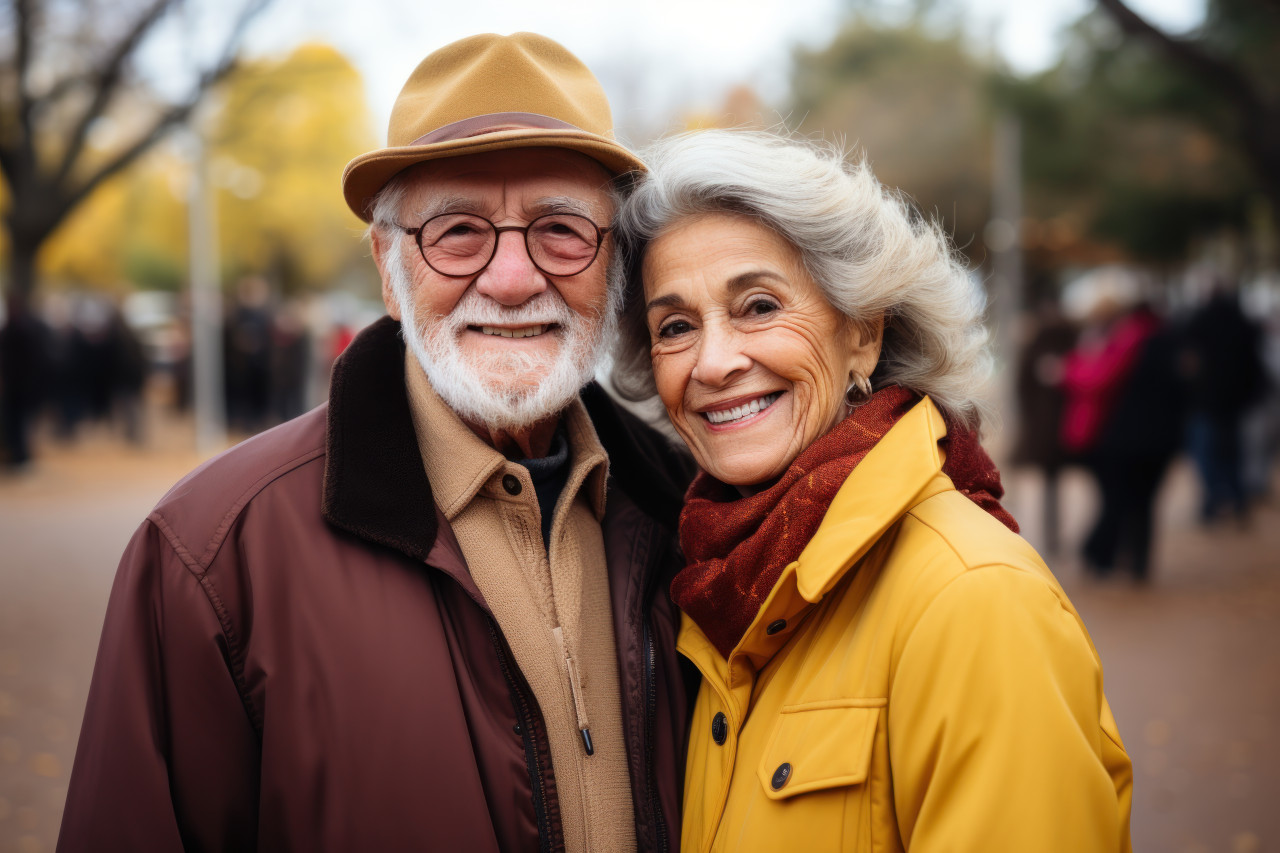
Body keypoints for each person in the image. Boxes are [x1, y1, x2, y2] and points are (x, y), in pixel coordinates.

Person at [58, 33, 695, 853]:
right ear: (390, 270)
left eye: (561, 228)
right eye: (457, 230)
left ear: (614, 268)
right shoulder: (213, 555)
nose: (512, 278)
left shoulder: (691, 516)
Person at [611, 130, 1133, 852]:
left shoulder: (972, 597)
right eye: (675, 326)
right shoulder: (718, 589)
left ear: (863, 332)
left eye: (758, 306)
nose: (714, 361)